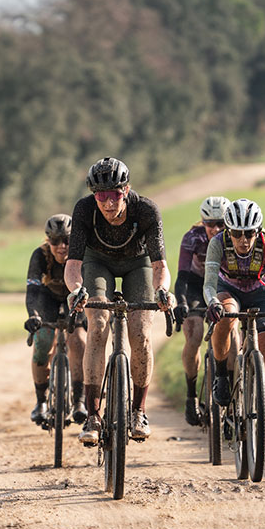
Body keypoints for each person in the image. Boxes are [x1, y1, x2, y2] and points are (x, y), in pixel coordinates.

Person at [64, 157, 174, 446]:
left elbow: (160, 265)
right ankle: (93, 416)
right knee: (98, 324)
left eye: (114, 195)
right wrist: (76, 290)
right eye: (101, 196)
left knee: (140, 333)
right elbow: (74, 264)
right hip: (97, 263)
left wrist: (163, 289)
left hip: (138, 264)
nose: (108, 203)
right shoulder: (85, 210)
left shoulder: (147, 210)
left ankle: (139, 411)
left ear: (126, 190)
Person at [203, 198, 265, 463]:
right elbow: (209, 284)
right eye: (236, 233)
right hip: (229, 291)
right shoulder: (217, 244)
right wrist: (212, 303)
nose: (243, 240)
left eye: (249, 233)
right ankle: (222, 374)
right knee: (225, 315)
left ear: (258, 230)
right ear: (228, 231)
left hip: (262, 293)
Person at [25, 213, 87, 427]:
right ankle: (41, 401)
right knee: (43, 342)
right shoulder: (40, 256)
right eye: (55, 241)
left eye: (67, 240)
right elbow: (32, 291)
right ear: (47, 240)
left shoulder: (83, 254)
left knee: (79, 341)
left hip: (75, 299)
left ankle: (79, 401)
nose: (61, 247)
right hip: (47, 298)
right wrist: (33, 315)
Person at [173, 196, 229, 426]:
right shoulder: (192, 238)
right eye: (210, 223)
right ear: (202, 222)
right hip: (196, 285)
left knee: (232, 336)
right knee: (194, 334)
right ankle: (191, 394)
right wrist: (181, 302)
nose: (215, 229)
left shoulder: (234, 237)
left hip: (224, 285)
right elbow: (182, 276)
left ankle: (231, 395)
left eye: (220, 224)